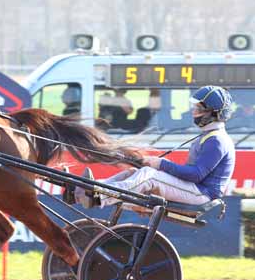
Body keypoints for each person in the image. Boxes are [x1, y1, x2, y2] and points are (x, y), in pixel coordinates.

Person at [75, 85, 236, 208]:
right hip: (195, 189)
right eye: (194, 107)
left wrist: (160, 164)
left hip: (202, 195)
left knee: (149, 175)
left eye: (199, 109)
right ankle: (87, 190)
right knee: (134, 172)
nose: (193, 112)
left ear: (214, 113)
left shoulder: (217, 141)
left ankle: (99, 197)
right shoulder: (208, 136)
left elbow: (196, 175)